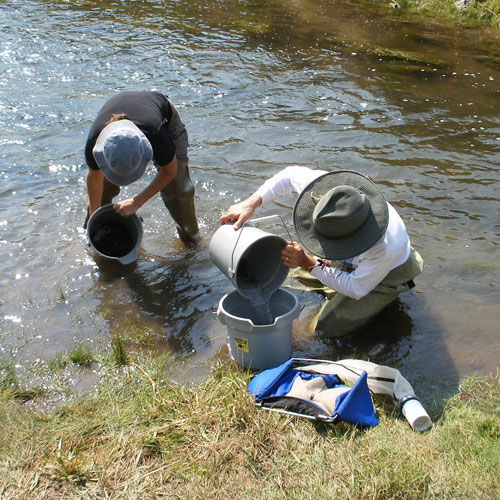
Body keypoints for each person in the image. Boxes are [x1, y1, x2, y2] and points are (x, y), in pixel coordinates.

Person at [220, 166, 423, 337]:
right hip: (355, 261)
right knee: (287, 273)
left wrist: (308, 262)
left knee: (322, 329)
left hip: (385, 275)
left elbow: (355, 288)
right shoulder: (332, 195)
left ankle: (384, 302)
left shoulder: (385, 246)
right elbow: (289, 176)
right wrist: (250, 203)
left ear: (350, 240)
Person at [84, 90, 200, 245]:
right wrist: (94, 217)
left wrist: (137, 202)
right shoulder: (95, 142)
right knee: (102, 191)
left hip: (163, 117)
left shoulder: (156, 135)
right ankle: (91, 239)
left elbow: (169, 171)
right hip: (122, 108)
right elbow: (95, 178)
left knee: (177, 190)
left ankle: (192, 241)